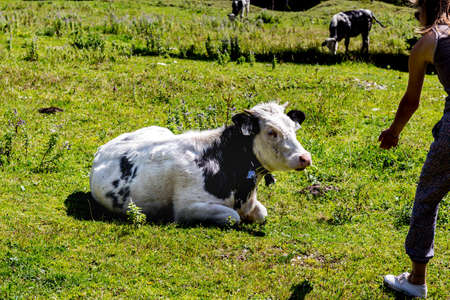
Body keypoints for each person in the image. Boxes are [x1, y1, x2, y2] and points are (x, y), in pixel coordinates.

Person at [378, 0, 450, 298]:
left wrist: (393, 133)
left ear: (425, 9)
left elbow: (412, 100)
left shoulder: (428, 42)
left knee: (427, 197)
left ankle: (416, 280)